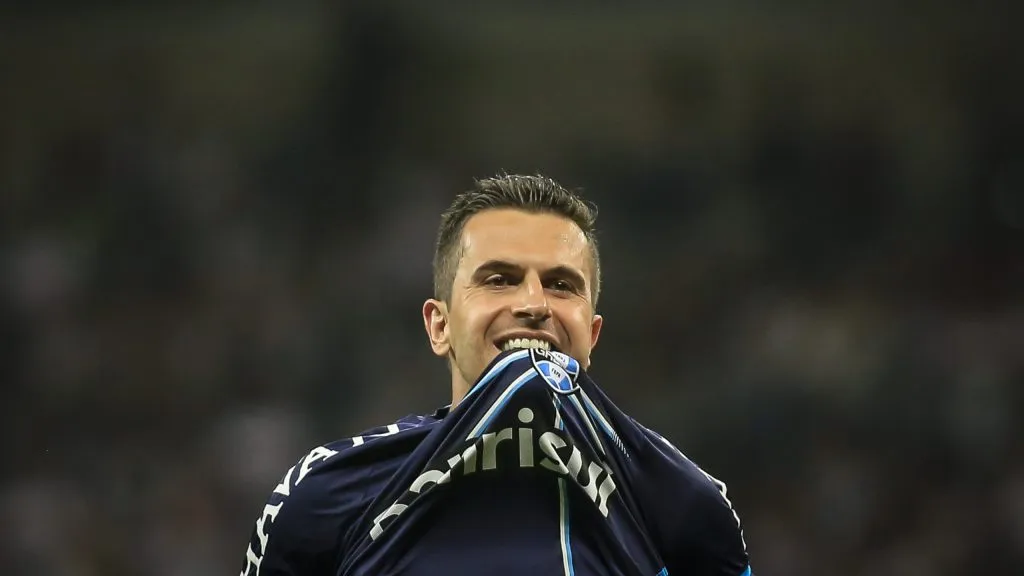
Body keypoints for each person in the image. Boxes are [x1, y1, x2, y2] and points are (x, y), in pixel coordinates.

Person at [238, 174, 753, 575]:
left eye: (561, 285)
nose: (533, 304)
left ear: (592, 334)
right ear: (439, 325)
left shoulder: (680, 506)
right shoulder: (328, 493)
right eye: (500, 279)